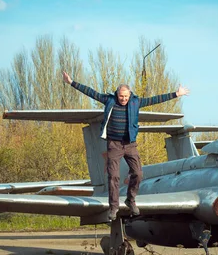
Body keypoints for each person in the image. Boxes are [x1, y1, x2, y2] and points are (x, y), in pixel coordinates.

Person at [62, 71, 190, 221]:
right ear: (117, 94)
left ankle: (131, 199)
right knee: (114, 176)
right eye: (121, 96)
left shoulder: (136, 102)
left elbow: (155, 99)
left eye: (126, 97)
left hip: (130, 144)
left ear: (130, 95)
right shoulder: (109, 100)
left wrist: (176, 94)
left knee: (138, 173)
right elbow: (91, 92)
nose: (123, 99)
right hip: (114, 145)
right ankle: (114, 207)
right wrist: (71, 82)